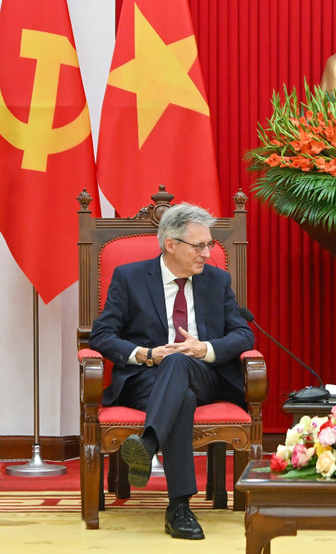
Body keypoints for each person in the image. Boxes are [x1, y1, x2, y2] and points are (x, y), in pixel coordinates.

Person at [89, 203, 254, 540]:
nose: (208, 254)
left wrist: (203, 349)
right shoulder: (130, 278)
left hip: (204, 374)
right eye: (200, 246)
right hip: (145, 379)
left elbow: (243, 334)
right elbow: (102, 336)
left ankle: (148, 445)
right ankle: (178, 508)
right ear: (171, 245)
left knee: (181, 363)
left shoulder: (217, 281)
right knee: (182, 397)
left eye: (209, 245)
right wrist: (146, 354)